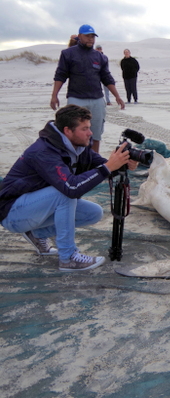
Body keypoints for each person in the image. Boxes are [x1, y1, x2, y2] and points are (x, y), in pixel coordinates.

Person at [0, 105, 136, 272]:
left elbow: (102, 167)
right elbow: (72, 188)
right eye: (84, 128)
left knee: (93, 213)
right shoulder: (43, 151)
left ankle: (36, 234)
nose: (90, 133)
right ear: (67, 131)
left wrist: (122, 164)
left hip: (35, 209)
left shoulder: (79, 147)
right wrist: (108, 167)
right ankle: (68, 258)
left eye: (89, 127)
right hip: (11, 213)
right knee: (65, 193)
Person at [51, 24, 125, 153]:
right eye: (87, 36)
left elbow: (107, 78)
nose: (90, 39)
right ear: (79, 36)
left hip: (97, 100)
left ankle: (93, 162)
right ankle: (75, 162)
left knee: (95, 134)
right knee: (74, 134)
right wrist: (54, 95)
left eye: (92, 36)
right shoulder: (68, 54)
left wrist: (117, 96)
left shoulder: (100, 57)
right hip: (76, 99)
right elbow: (60, 75)